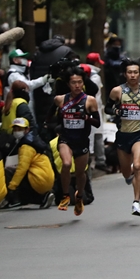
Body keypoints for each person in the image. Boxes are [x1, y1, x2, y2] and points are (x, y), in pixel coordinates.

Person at [53, 67, 100, 216]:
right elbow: (50, 116)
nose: (77, 85)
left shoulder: (90, 101)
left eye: (80, 82)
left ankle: (79, 196)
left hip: (81, 140)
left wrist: (86, 118)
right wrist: (52, 126)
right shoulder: (60, 99)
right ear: (68, 84)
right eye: (74, 83)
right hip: (66, 139)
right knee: (66, 164)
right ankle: (65, 195)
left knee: (80, 173)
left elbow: (97, 122)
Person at [107, 59, 140, 216]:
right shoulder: (117, 91)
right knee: (126, 172)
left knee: (138, 165)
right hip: (122, 136)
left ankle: (136, 202)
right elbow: (107, 108)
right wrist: (117, 112)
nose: (133, 75)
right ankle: (129, 174)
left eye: (135, 72)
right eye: (130, 72)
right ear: (125, 74)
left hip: (138, 135)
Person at [1, 118, 54, 209]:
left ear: (27, 129)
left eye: (20, 129)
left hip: (38, 180)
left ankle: (39, 199)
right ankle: (43, 196)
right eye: (15, 129)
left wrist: (11, 188)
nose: (17, 132)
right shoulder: (34, 140)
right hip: (46, 178)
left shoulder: (26, 146)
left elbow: (22, 169)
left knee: (12, 173)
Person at [30, 35, 77, 135]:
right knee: (56, 117)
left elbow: (32, 72)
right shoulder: (66, 51)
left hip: (39, 90)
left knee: (42, 118)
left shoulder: (38, 53)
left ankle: (44, 142)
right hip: (58, 89)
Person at [85, 53, 108, 171]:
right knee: (97, 136)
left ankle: (94, 160)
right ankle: (99, 161)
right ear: (96, 62)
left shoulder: (84, 73)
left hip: (87, 110)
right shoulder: (95, 77)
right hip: (95, 109)